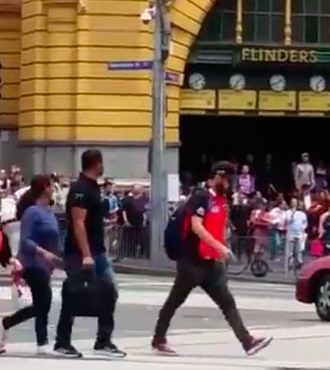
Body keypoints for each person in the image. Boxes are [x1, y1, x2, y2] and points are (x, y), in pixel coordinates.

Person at [152, 161, 273, 356]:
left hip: (212, 262)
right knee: (175, 300)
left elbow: (217, 228)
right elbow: (196, 226)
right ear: (218, 177)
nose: (229, 184)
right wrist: (220, 247)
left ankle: (247, 341)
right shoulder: (201, 197)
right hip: (192, 261)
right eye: (227, 180)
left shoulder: (221, 201)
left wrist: (221, 250)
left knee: (227, 302)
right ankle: (159, 338)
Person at [55, 150, 124, 358]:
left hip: (97, 250)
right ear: (97, 163)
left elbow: (89, 219)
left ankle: (103, 340)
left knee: (109, 291)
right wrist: (86, 254)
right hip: (81, 252)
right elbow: (78, 222)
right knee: (74, 293)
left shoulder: (94, 187)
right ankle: (62, 342)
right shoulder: (81, 188)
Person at [0, 175, 61, 355]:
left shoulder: (49, 212)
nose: (54, 190)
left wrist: (59, 257)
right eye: (51, 186)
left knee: (42, 303)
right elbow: (25, 241)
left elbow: (55, 239)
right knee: (44, 302)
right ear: (44, 188)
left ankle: (11, 325)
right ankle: (39, 341)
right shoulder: (32, 212)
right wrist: (43, 252)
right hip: (31, 262)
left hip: (45, 265)